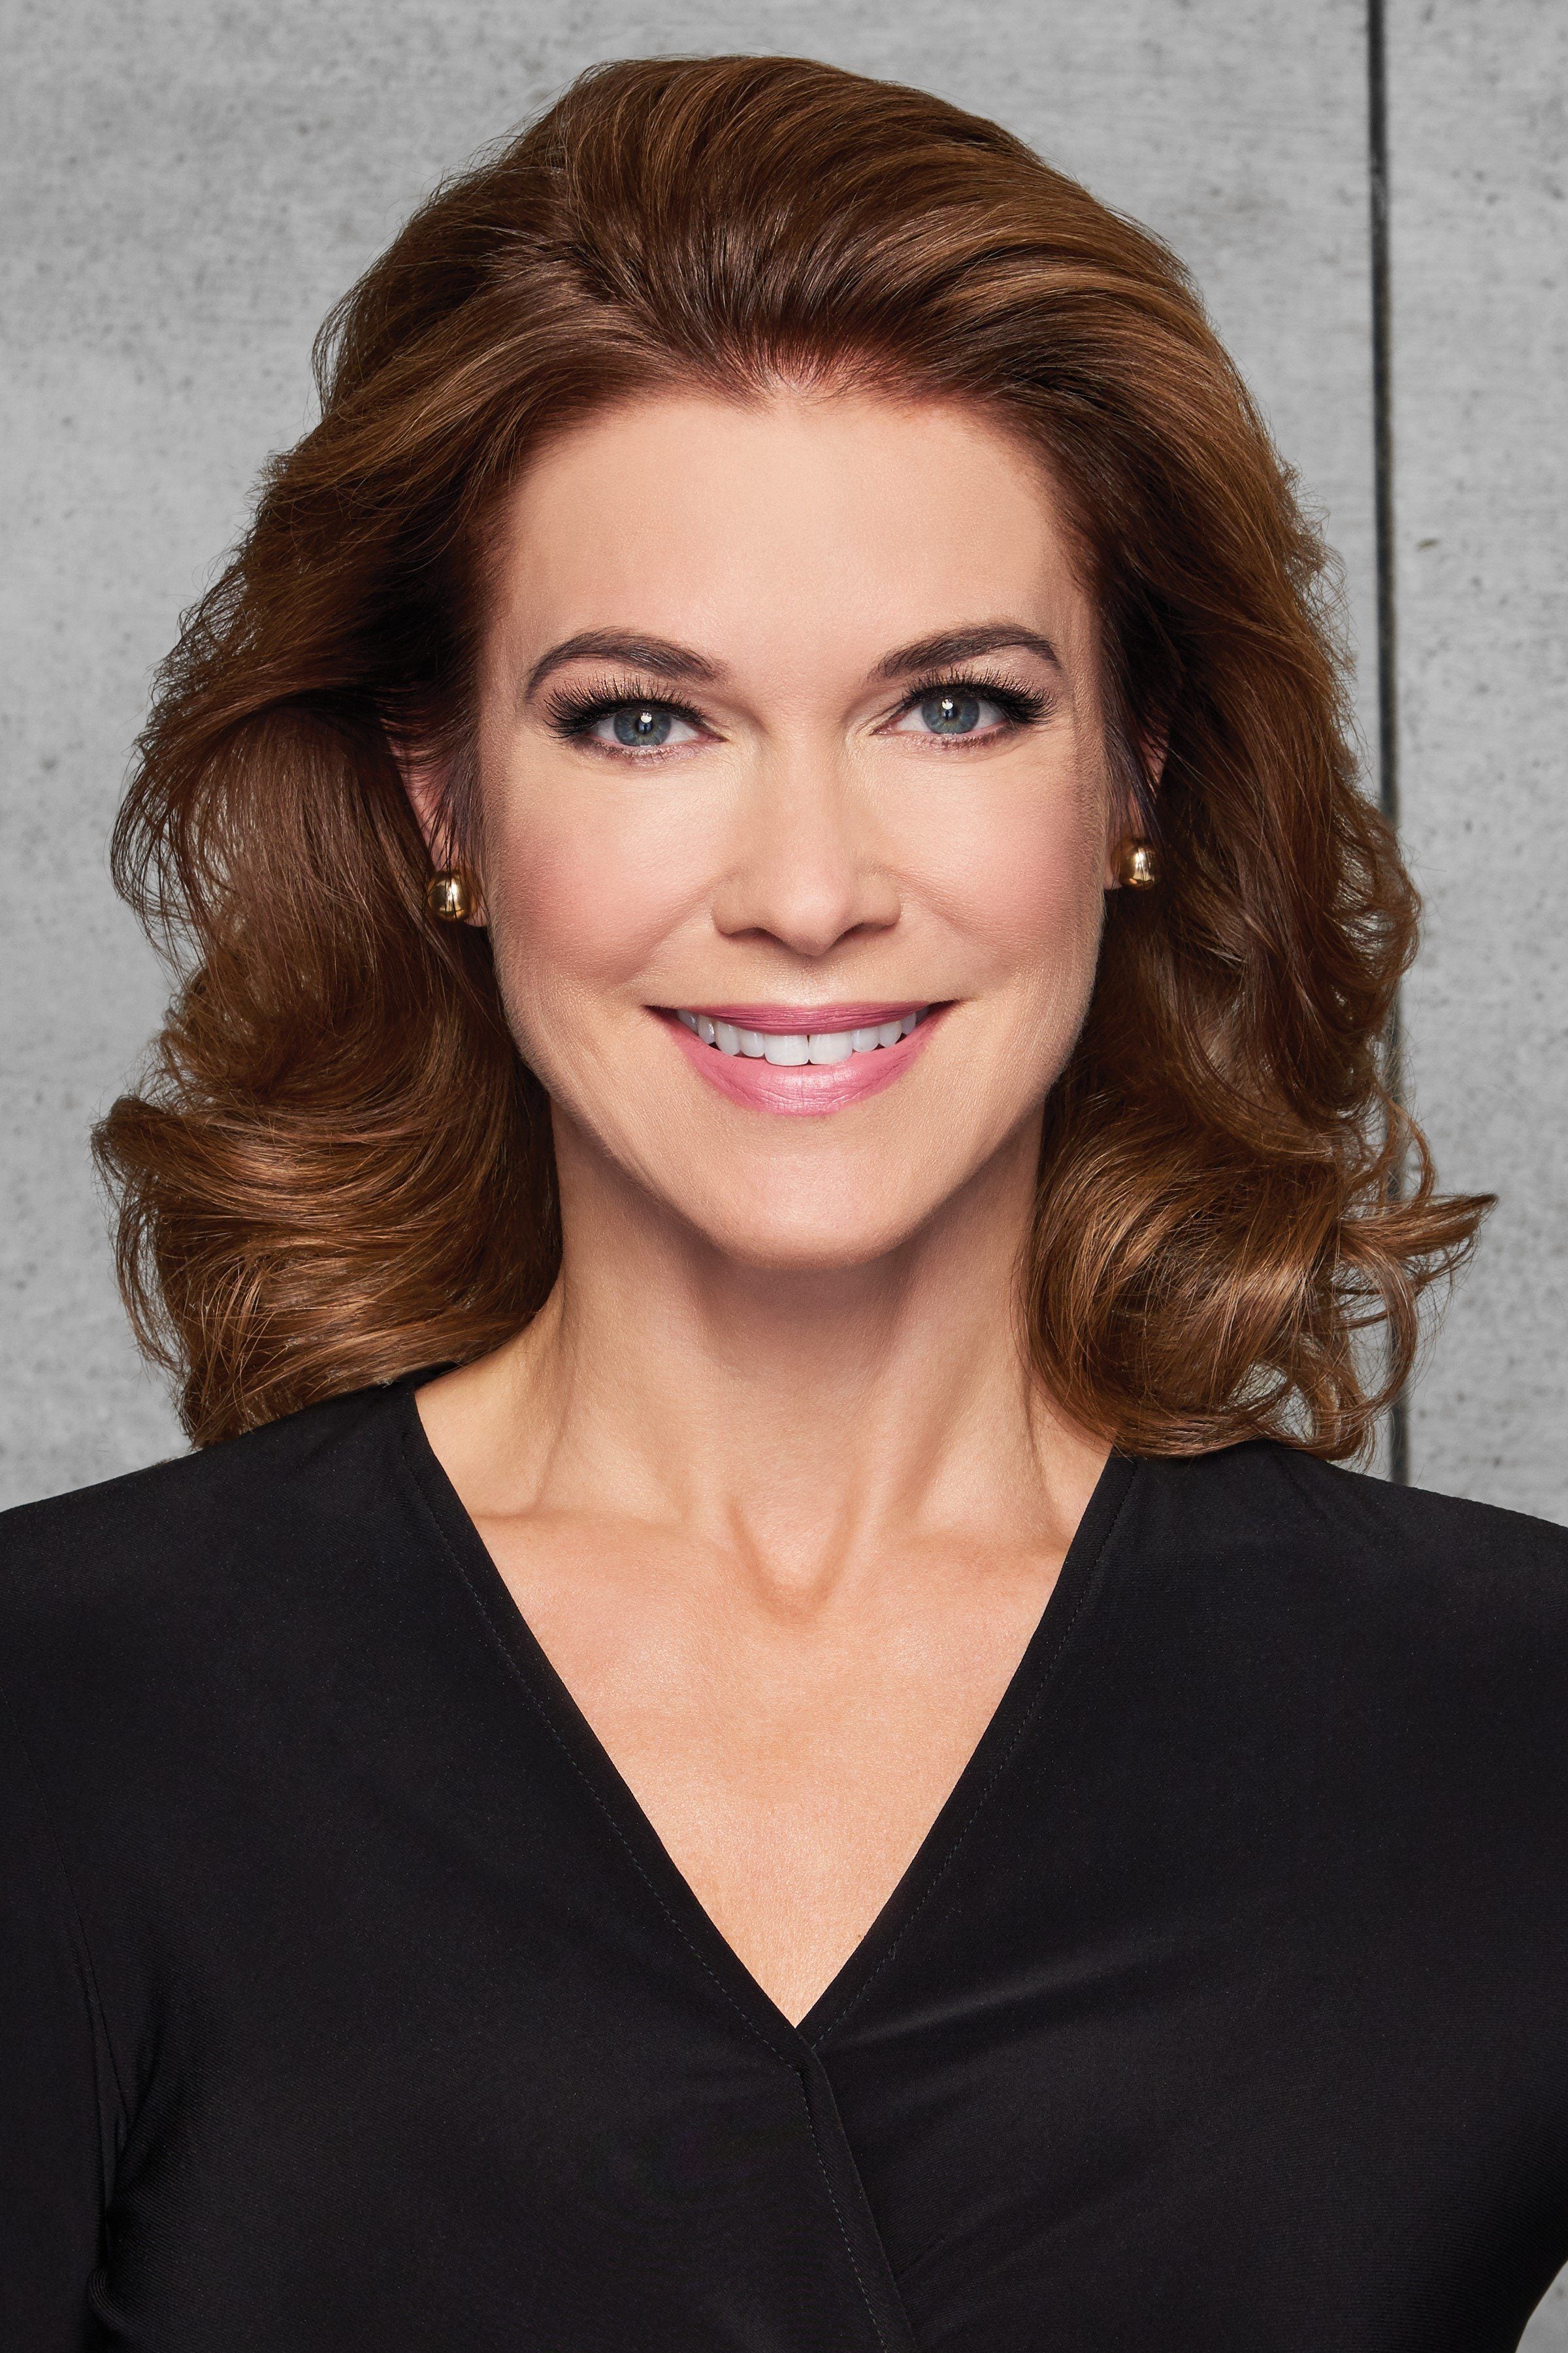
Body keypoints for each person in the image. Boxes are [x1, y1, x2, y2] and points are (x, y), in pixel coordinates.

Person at [3, 51, 1564, 2353]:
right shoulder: (63, 1714)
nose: (811, 891)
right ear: (442, 798)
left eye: (957, 707)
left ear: (1138, 770)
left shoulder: (1510, 1726)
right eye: (646, 718)